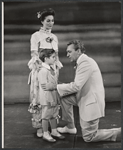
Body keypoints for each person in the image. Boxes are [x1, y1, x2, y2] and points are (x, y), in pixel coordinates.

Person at [42, 40, 121, 142]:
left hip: (91, 102)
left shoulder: (85, 63)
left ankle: (115, 133)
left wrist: (54, 86)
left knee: (89, 137)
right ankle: (70, 127)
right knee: (65, 97)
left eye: (69, 52)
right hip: (84, 96)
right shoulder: (82, 61)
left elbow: (76, 86)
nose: (67, 55)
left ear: (78, 51)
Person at [28, 8, 63, 138]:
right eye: (48, 21)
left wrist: (55, 69)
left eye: (52, 21)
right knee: (40, 96)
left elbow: (57, 56)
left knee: (52, 97)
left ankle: (53, 127)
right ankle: (39, 127)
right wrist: (43, 68)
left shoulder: (54, 37)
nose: (50, 23)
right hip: (40, 68)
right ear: (42, 21)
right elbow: (34, 54)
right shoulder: (36, 35)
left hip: (53, 69)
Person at [37, 48, 65, 142]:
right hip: (47, 98)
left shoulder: (51, 69)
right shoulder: (43, 71)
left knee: (54, 114)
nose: (55, 59)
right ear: (45, 58)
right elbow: (45, 86)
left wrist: (57, 86)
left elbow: (53, 84)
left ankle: (54, 131)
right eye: (53, 57)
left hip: (53, 97)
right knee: (46, 115)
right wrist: (56, 86)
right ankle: (45, 133)